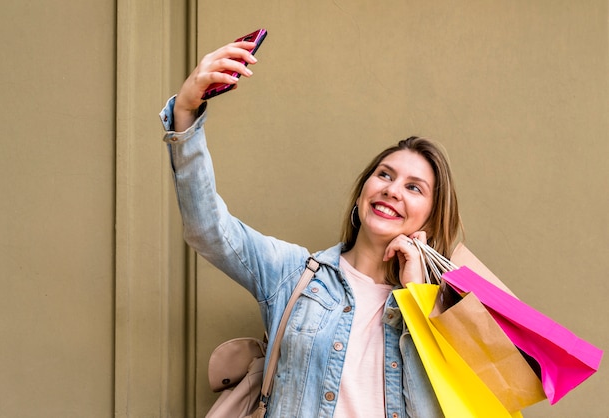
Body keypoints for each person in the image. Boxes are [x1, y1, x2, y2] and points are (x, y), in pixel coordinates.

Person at [160, 41, 512, 418]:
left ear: (430, 216)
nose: (392, 190)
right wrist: (185, 110)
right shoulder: (292, 274)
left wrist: (418, 296)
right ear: (363, 192)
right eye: (384, 175)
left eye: (414, 187)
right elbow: (208, 229)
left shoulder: (446, 313)